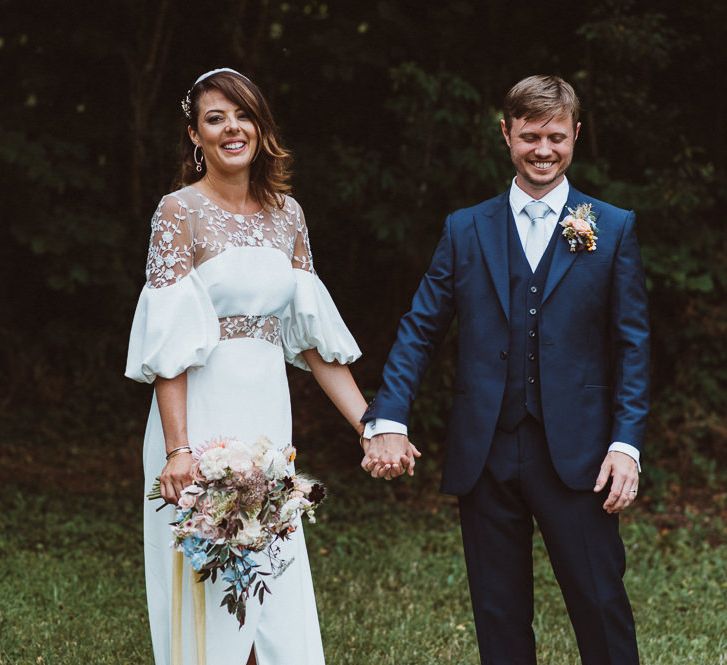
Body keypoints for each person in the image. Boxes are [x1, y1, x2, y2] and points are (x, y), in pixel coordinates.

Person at [361, 75, 649, 664]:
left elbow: (633, 346)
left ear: (576, 136)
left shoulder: (612, 227)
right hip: (486, 450)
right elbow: (421, 327)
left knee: (600, 606)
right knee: (498, 617)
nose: (544, 150)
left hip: (581, 456)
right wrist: (388, 414)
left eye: (557, 137)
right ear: (506, 135)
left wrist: (626, 443)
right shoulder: (465, 229)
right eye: (530, 137)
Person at [125, 68, 396, 665]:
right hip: (199, 418)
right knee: (210, 584)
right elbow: (168, 344)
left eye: (242, 115)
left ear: (260, 127)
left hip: (268, 421)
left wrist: (370, 427)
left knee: (272, 584)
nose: (231, 128)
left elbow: (313, 344)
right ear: (195, 135)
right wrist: (178, 449)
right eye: (214, 118)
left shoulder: (287, 215)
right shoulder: (178, 213)